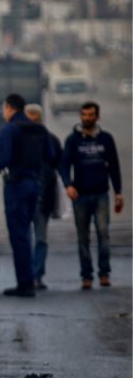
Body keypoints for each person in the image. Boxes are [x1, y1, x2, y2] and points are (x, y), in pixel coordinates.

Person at [0, 93, 54, 298]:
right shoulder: (39, 129)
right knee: (27, 233)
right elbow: (51, 156)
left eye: (4, 108)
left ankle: (25, 284)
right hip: (35, 184)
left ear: (9, 108)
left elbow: (2, 160)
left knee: (19, 235)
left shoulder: (10, 130)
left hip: (16, 185)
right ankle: (28, 279)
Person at [58, 101, 123, 290]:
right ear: (81, 116)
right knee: (83, 237)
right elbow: (64, 165)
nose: (87, 118)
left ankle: (104, 273)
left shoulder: (106, 139)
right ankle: (86, 275)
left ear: (97, 117)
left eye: (91, 115)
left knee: (103, 234)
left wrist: (118, 192)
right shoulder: (73, 140)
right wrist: (68, 185)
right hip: (80, 195)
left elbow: (114, 166)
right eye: (84, 115)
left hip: (101, 193)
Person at [24, 104, 62, 291]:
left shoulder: (50, 140)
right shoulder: (19, 140)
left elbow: (58, 164)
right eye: (29, 116)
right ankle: (26, 276)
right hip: (23, 196)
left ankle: (37, 275)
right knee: (25, 237)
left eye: (34, 116)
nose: (32, 119)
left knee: (40, 238)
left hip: (43, 196)